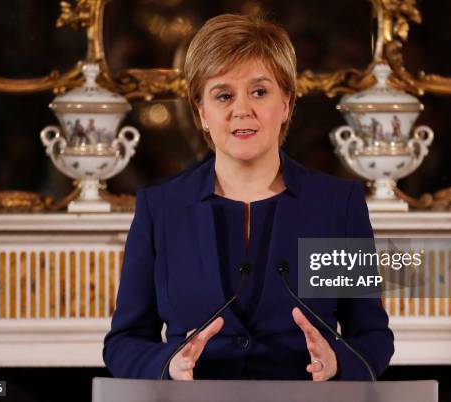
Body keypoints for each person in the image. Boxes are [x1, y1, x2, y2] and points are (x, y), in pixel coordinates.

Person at [103, 13, 394, 381]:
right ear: (201, 112)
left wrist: (338, 362)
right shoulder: (162, 209)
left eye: (259, 91)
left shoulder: (334, 206)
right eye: (223, 95)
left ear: (286, 102)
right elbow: (124, 342)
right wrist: (167, 365)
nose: (242, 109)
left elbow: (371, 336)